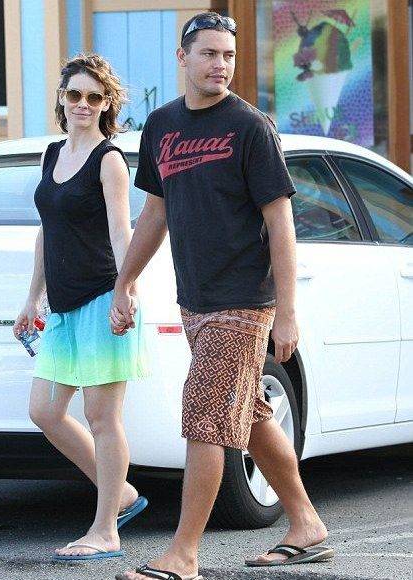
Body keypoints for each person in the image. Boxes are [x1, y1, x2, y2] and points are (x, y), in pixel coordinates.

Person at [110, 13, 333, 580]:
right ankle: (306, 524)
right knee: (249, 416)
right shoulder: (161, 125)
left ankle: (183, 555)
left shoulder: (250, 127)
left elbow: (280, 222)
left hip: (243, 299)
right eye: (209, 54)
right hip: (196, 299)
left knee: (206, 415)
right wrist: (124, 280)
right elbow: (154, 212)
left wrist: (287, 312)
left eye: (228, 55)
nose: (221, 65)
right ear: (182, 57)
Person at [13, 54, 149, 561]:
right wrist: (32, 298)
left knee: (101, 417)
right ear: (62, 99)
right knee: (45, 411)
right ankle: (123, 494)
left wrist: (125, 290)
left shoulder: (109, 160)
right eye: (75, 95)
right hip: (63, 308)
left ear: (107, 103)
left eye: (95, 96)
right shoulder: (52, 154)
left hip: (101, 298)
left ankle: (106, 530)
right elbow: (46, 231)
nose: (83, 104)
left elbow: (121, 231)